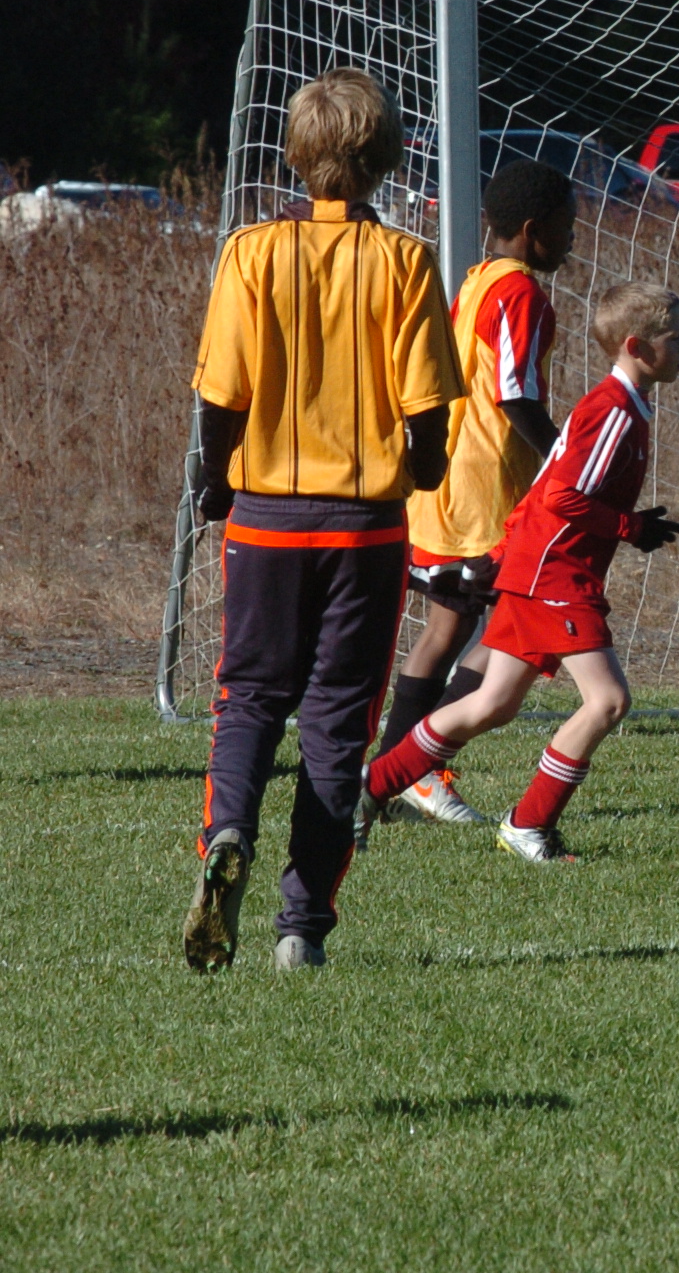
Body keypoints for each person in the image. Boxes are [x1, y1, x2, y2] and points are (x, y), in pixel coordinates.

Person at [180, 68, 463, 973]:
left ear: (296, 155)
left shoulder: (250, 252)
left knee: (250, 697)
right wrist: (425, 473)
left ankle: (229, 829)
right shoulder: (406, 260)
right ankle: (301, 928)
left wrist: (213, 484)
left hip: (265, 521)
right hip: (365, 528)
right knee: (339, 720)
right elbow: (428, 410)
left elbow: (219, 396)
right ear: (386, 158)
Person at [357, 284, 679, 864]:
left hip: (534, 567)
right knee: (608, 701)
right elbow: (561, 496)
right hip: (555, 575)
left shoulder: (619, 405)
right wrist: (630, 527)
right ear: (637, 347)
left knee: (492, 703)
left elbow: (544, 485)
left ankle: (366, 788)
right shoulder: (613, 411)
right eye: (675, 338)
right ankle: (528, 825)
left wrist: (503, 554)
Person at [367, 161, 576, 833]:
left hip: (451, 481)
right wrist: (569, 459)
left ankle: (394, 775)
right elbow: (516, 394)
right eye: (567, 227)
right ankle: (413, 769)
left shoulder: (477, 278)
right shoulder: (519, 292)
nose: (573, 240)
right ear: (533, 230)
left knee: (450, 629)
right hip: (488, 493)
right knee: (510, 631)